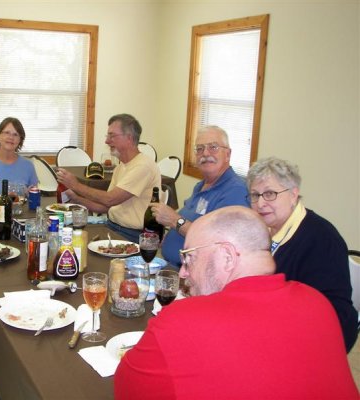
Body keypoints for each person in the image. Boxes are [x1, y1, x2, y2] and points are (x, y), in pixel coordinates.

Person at [114, 206, 359, 400]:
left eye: (190, 259)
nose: (183, 274)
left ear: (228, 257)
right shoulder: (318, 303)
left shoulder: (183, 321)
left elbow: (127, 389)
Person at [247, 156, 358, 352]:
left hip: (315, 339)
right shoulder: (264, 228)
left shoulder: (321, 239)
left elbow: (326, 314)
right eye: (255, 195)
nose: (260, 203)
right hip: (268, 321)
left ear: (293, 194)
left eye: (270, 194)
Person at [152, 125, 249, 265]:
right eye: (200, 149)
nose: (205, 153)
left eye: (213, 147)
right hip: (168, 263)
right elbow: (190, 221)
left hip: (193, 276)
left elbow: (218, 242)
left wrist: (175, 220)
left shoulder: (236, 191)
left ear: (228, 154)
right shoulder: (201, 186)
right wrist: (169, 236)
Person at [56, 113, 161, 242]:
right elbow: (106, 207)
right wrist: (76, 198)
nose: (106, 141)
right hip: (112, 226)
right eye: (107, 136)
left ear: (129, 138)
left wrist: (76, 185)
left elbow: (110, 200)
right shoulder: (121, 167)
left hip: (132, 235)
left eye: (112, 136)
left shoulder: (143, 166)